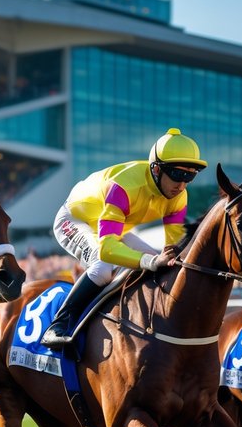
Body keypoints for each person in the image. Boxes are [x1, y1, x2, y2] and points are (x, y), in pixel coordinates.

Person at [40, 128, 204, 348]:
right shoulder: (124, 187)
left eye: (190, 176)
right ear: (157, 169)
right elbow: (107, 250)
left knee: (162, 265)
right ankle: (58, 325)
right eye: (177, 174)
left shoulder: (179, 196)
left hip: (111, 228)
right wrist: (151, 261)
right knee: (102, 267)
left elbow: (172, 250)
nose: (182, 185)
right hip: (75, 220)